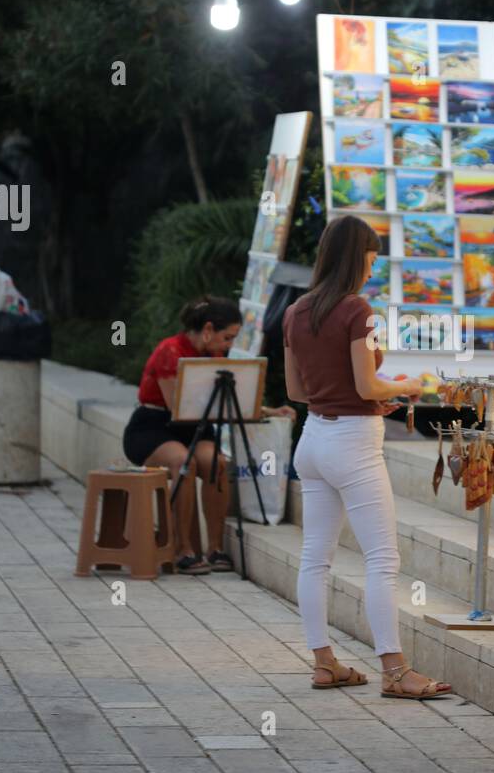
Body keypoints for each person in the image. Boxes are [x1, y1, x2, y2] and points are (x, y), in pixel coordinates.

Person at [283, 215, 452, 700]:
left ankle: (324, 663)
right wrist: (408, 386)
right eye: (372, 258)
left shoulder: (296, 311)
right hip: (353, 445)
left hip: (313, 440)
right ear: (356, 256)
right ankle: (396, 672)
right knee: (382, 558)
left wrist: (368, 394)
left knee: (315, 558)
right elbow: (366, 385)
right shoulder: (359, 311)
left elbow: (297, 389)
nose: (373, 268)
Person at [123, 296, 294, 575]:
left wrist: (269, 411)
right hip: (155, 425)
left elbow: (225, 399)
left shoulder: (215, 356)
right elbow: (175, 406)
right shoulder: (171, 350)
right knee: (184, 462)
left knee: (216, 462)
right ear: (208, 330)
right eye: (227, 338)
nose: (229, 346)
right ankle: (183, 549)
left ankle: (214, 548)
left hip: (196, 426)